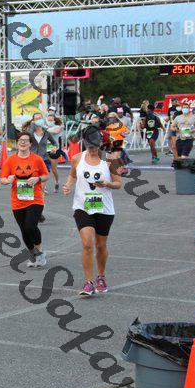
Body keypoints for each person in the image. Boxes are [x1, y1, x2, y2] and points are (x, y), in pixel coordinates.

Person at [62, 126, 121, 296]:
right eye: (89, 146)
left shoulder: (111, 159)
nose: (92, 149)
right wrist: (67, 185)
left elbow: (118, 183)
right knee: (87, 244)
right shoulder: (77, 158)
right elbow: (73, 175)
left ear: (101, 143)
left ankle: (100, 276)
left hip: (104, 208)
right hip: (83, 207)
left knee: (100, 246)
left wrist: (107, 184)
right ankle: (88, 282)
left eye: (95, 146)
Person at [0, 131, 50, 267]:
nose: (23, 142)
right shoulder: (10, 160)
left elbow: (46, 175)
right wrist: (8, 180)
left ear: (30, 144)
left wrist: (38, 179)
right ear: (17, 143)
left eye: (26, 140)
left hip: (35, 199)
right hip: (17, 201)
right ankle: (33, 253)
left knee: (30, 226)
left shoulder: (37, 159)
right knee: (24, 230)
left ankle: (40, 252)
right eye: (20, 140)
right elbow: (2, 178)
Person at [28, 113, 57, 198]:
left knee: (42, 183)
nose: (39, 120)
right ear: (33, 121)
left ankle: (40, 199)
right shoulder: (30, 132)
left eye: (40, 118)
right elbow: (27, 137)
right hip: (32, 159)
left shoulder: (46, 132)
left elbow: (54, 143)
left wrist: (54, 148)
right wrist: (32, 126)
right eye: (36, 119)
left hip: (44, 159)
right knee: (31, 181)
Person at [44, 113, 68, 193]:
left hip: (54, 149)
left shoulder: (57, 127)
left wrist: (43, 128)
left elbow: (54, 131)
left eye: (51, 120)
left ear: (54, 121)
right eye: (48, 120)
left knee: (54, 169)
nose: (50, 121)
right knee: (44, 169)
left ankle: (57, 182)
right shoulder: (44, 127)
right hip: (44, 150)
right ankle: (44, 186)